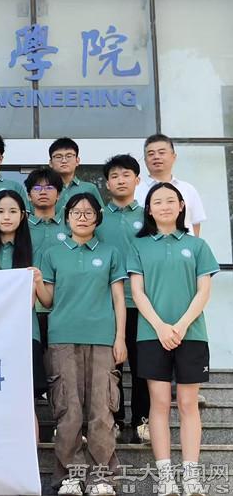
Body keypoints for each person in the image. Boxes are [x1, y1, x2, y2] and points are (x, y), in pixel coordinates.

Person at [128, 182, 218, 496]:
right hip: (151, 335)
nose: (164, 206)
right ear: (149, 209)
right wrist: (161, 327)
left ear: (181, 206)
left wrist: (179, 326)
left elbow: (203, 291)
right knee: (160, 403)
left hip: (191, 334)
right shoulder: (139, 246)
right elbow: (137, 292)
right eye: (157, 202)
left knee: (189, 403)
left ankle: (191, 477)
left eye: (170, 201)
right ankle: (166, 478)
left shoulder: (197, 246)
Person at [38, 193, 127, 496]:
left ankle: (102, 476)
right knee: (68, 410)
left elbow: (118, 299)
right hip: (62, 337)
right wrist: (36, 282)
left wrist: (120, 337)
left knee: (101, 410)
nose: (82, 217)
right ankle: (70, 476)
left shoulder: (110, 252)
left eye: (89, 212)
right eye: (76, 212)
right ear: (67, 217)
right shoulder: (52, 253)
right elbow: (47, 300)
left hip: (102, 338)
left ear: (97, 218)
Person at [0, 190, 48, 443]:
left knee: (25, 401)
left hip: (25, 335)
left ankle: (31, 461)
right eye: (0, 211)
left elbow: (46, 300)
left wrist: (38, 281)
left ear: (23, 216)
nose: (6, 217)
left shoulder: (36, 251)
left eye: (13, 211)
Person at [95, 155, 150, 444]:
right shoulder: (97, 218)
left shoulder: (149, 215)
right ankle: (114, 420)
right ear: (107, 183)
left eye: (126, 174)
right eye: (114, 176)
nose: (120, 180)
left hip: (142, 303)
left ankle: (142, 420)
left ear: (137, 180)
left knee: (142, 367)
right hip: (107, 303)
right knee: (110, 367)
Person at [25, 166, 67, 345]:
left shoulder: (71, 225)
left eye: (49, 187)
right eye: (37, 188)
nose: (43, 192)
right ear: (29, 195)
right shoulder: (20, 227)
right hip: (28, 307)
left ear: (58, 194)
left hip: (63, 306)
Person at [134, 134, 206, 237]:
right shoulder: (136, 190)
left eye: (162, 152)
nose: (156, 157)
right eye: (151, 154)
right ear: (145, 160)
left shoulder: (188, 189)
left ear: (174, 157)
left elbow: (195, 223)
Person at [48, 137, 104, 215]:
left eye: (69, 156)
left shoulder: (90, 188)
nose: (64, 160)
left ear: (77, 161)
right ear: (50, 163)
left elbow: (101, 217)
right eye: (58, 157)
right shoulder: (44, 190)